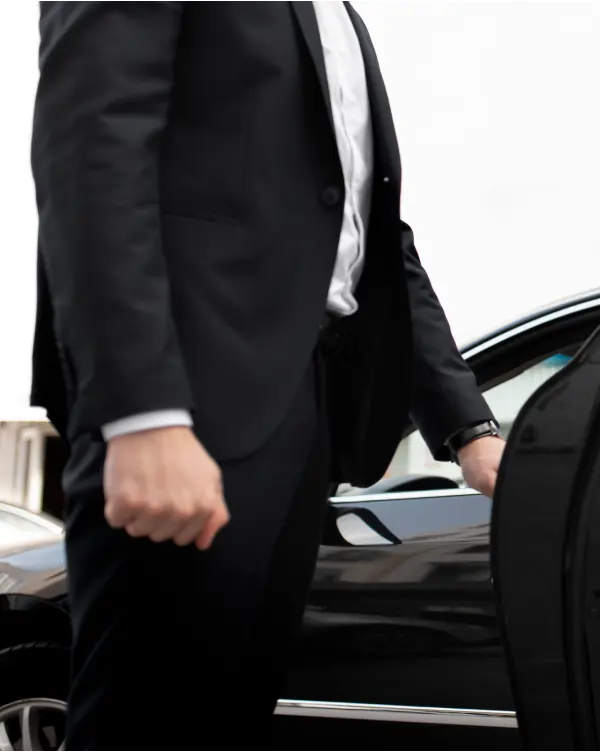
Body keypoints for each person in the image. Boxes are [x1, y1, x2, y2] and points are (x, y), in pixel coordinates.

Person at [29, 1, 505, 749]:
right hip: (189, 404)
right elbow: (91, 151)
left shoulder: (340, 18)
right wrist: (142, 412)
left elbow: (375, 247)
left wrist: (470, 430)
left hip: (303, 406)